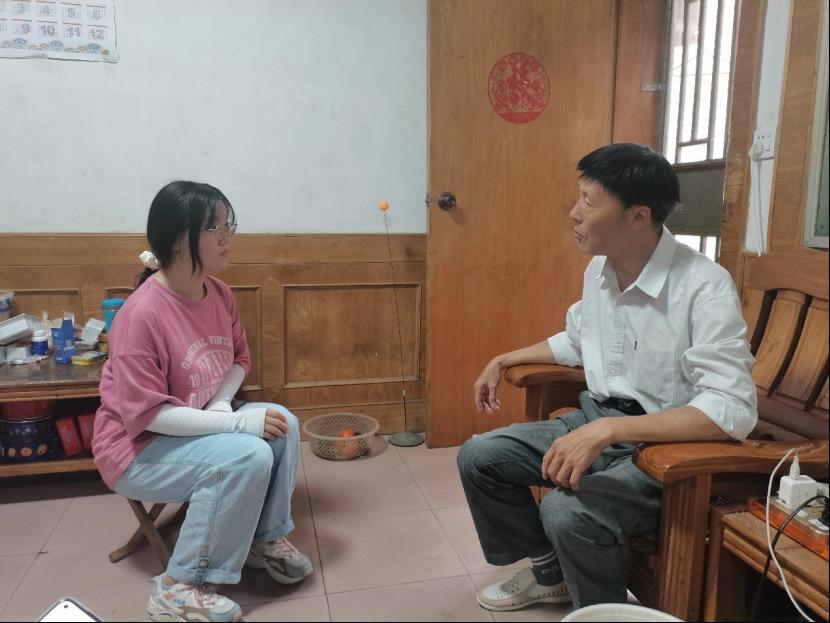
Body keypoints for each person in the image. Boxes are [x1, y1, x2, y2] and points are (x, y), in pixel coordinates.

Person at [457, 144, 757, 612]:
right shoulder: (600, 269)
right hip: (598, 421)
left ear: (637, 217)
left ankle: (603, 612)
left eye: (589, 202)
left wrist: (611, 430)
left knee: (566, 512)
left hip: (667, 450)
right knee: (480, 457)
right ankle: (551, 574)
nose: (574, 213)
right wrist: (502, 359)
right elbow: (579, 340)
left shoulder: (704, 286)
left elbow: (731, 408)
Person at [92, 181, 312, 623]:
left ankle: (263, 539)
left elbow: (239, 360)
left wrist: (222, 404)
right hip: (137, 448)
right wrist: (234, 424)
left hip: (196, 423)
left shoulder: (219, 293)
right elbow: (150, 415)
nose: (227, 237)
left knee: (282, 422)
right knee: (248, 453)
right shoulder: (140, 315)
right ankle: (178, 587)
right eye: (214, 227)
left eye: (229, 224)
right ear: (179, 239)